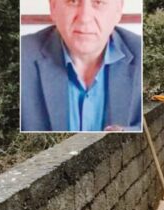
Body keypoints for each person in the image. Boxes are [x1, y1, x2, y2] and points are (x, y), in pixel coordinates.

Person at [20, 0, 141, 132]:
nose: (85, 18)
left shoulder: (143, 53)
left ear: (118, 9)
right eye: (73, 1)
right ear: (53, 6)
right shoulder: (21, 57)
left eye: (98, 2)